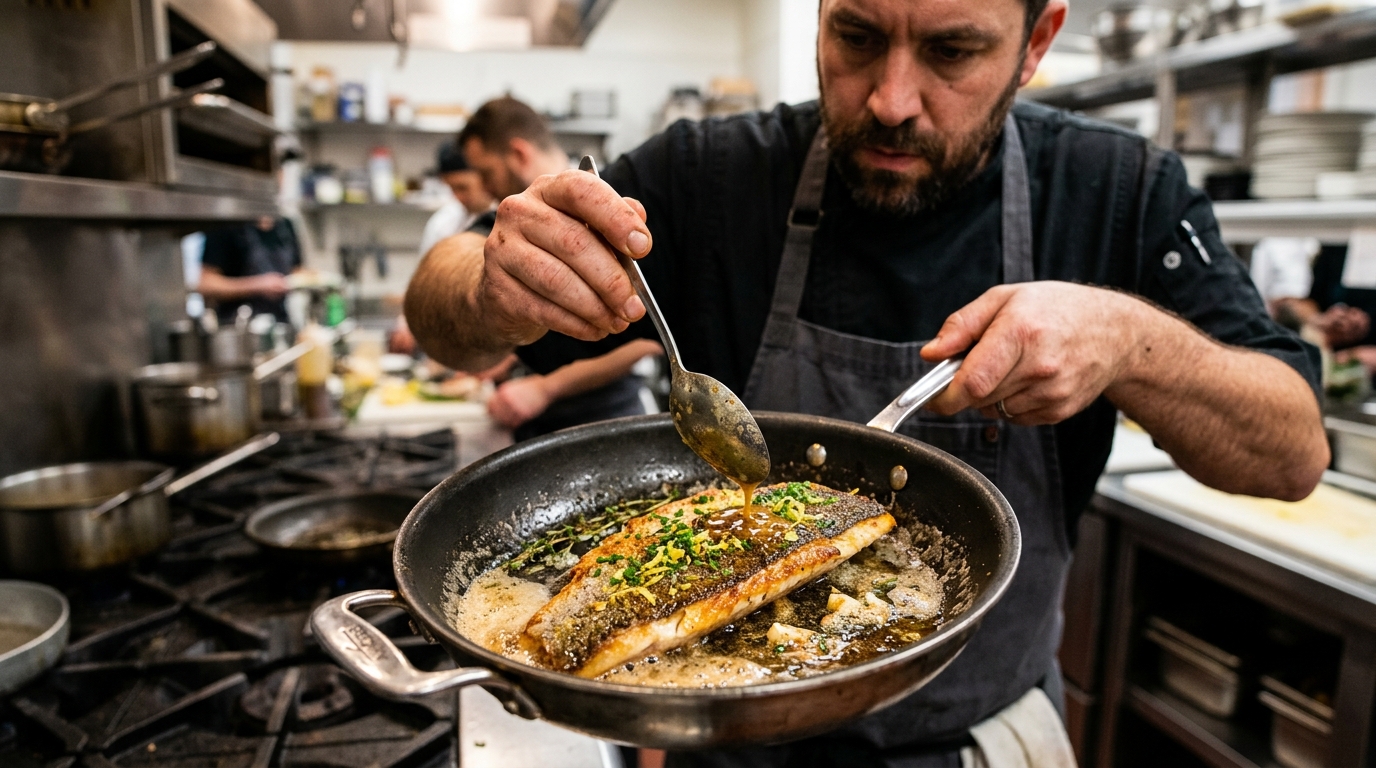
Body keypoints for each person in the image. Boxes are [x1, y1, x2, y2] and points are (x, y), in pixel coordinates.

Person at [404, 1, 1329, 764]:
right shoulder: (710, 173)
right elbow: (440, 304)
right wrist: (489, 282)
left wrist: (1131, 340)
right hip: (719, 749)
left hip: (980, 742)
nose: (891, 100)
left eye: (952, 50)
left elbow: (1292, 453)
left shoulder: (1119, 189)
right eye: (855, 35)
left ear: (1036, 41)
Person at [406, 97, 662, 440]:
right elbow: (447, 271)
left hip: (609, 418)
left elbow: (650, 338)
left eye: (487, 173)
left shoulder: (618, 204)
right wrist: (492, 318)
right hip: (535, 424)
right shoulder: (505, 223)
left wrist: (546, 387)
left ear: (519, 154)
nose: (485, 187)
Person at [198, 215, 303, 323]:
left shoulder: (285, 225)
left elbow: (296, 270)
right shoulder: (226, 225)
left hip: (281, 321)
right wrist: (258, 285)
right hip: (239, 323)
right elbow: (206, 284)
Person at [419, 142, 496, 258]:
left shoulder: (510, 214)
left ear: (484, 178)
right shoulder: (441, 224)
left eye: (462, 187)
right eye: (452, 188)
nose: (457, 197)